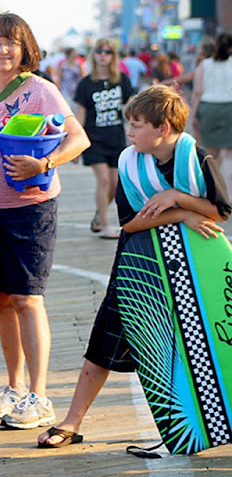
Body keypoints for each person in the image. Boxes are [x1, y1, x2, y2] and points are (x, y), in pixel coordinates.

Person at [37, 85, 230, 448]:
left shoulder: (197, 159)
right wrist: (183, 213)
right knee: (103, 342)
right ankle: (71, 422)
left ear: (163, 129)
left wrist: (177, 197)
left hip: (193, 270)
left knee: (206, 340)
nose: (130, 132)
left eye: (137, 125)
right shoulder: (129, 162)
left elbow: (220, 210)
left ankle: (218, 420)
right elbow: (129, 223)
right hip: (139, 268)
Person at [0, 13, 90, 429]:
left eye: (10, 42)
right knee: (3, 298)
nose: (2, 50)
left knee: (28, 298)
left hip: (31, 207)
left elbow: (79, 139)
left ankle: (39, 395)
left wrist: (44, 163)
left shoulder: (41, 90)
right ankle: (14, 388)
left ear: (25, 47)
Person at [74, 39, 135, 239]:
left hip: (116, 138)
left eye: (108, 52)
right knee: (104, 179)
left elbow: (131, 110)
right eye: (99, 51)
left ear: (113, 56)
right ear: (94, 55)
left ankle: (99, 216)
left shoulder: (121, 80)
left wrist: (135, 133)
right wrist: (74, 145)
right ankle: (106, 225)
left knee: (115, 183)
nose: (103, 55)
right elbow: (80, 116)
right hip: (93, 139)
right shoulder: (85, 84)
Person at [190, 33, 232, 189]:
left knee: (209, 154)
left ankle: (209, 189)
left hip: (208, 109)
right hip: (229, 108)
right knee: (229, 155)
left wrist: (194, 115)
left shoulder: (204, 65)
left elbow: (197, 92)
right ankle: (229, 194)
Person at [56, 47, 84, 112]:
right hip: (65, 90)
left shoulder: (79, 64)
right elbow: (59, 78)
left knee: (76, 109)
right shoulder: (63, 65)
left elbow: (82, 76)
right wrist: (58, 89)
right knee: (67, 108)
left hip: (76, 90)